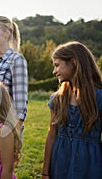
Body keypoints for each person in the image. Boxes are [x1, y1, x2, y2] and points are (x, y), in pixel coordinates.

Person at [42, 41, 102, 179]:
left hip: (90, 164)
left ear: (73, 63)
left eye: (57, 65)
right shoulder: (57, 99)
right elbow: (51, 135)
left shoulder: (99, 98)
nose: (54, 71)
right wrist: (45, 172)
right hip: (60, 162)